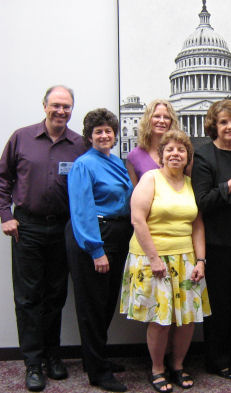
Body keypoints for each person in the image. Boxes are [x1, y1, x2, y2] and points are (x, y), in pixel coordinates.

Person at [0, 85, 85, 392]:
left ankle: (52, 355)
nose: (61, 111)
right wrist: (5, 215)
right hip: (27, 227)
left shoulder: (79, 144)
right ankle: (33, 363)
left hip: (63, 229)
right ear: (45, 106)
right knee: (28, 297)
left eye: (67, 107)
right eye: (56, 105)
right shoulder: (21, 138)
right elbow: (3, 178)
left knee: (56, 295)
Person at [121, 130, 211, 391]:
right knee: (160, 319)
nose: (175, 154)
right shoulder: (150, 179)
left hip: (186, 259)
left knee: (187, 318)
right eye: (169, 150)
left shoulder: (191, 184)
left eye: (181, 150)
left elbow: (197, 225)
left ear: (188, 157)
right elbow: (137, 220)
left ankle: (178, 365)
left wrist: (201, 260)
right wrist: (154, 259)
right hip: (152, 259)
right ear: (161, 155)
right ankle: (157, 368)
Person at [65, 108, 133, 392]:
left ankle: (96, 357)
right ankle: (97, 372)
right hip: (94, 236)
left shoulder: (116, 162)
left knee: (105, 303)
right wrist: (95, 250)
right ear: (89, 136)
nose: (104, 135)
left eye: (108, 131)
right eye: (98, 132)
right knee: (92, 305)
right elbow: (82, 210)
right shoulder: (84, 164)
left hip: (116, 234)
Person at [191, 99, 231, 379]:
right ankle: (217, 359)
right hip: (217, 243)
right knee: (218, 304)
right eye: (224, 122)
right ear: (214, 126)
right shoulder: (204, 156)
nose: (230, 127)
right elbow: (202, 201)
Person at [126, 99, 180, 186]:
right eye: (157, 116)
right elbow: (134, 193)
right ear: (148, 119)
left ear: (171, 122)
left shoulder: (180, 154)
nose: (162, 121)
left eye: (166, 117)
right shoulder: (134, 157)